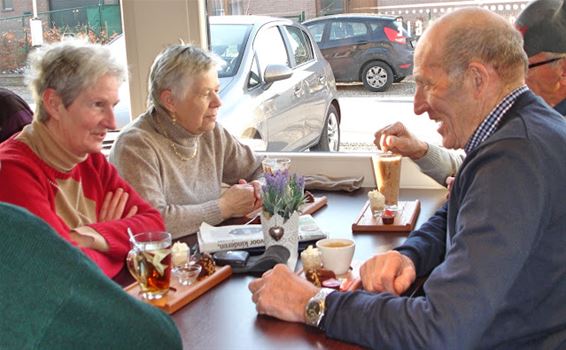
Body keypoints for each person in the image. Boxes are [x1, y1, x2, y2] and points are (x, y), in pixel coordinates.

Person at [249, 8, 566, 349]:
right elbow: (461, 208)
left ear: (477, 79)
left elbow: (439, 330)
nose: (417, 106)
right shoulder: (521, 130)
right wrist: (410, 256)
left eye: (427, 84)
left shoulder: (514, 158)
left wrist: (311, 304)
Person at [0, 41, 165, 278]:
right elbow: (67, 270)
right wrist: (121, 249)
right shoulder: (12, 170)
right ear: (54, 104)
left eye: (113, 106)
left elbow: (154, 228)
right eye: (98, 105)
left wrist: (90, 235)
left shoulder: (90, 160)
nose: (112, 123)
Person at [375, 0, 566, 186]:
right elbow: (482, 168)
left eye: (523, 67)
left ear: (563, 70)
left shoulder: (529, 137)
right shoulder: (526, 125)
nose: (510, 79)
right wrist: (420, 151)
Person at [109, 44, 263, 239]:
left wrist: (259, 188)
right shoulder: (134, 146)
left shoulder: (211, 132)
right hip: (162, 264)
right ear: (170, 101)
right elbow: (152, 222)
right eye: (206, 93)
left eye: (217, 90)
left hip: (209, 257)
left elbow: (261, 168)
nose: (218, 102)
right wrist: (224, 207)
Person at [0, 202, 182, 349]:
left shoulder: (95, 164)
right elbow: (158, 337)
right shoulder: (13, 215)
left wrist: (95, 235)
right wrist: (111, 245)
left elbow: (155, 223)